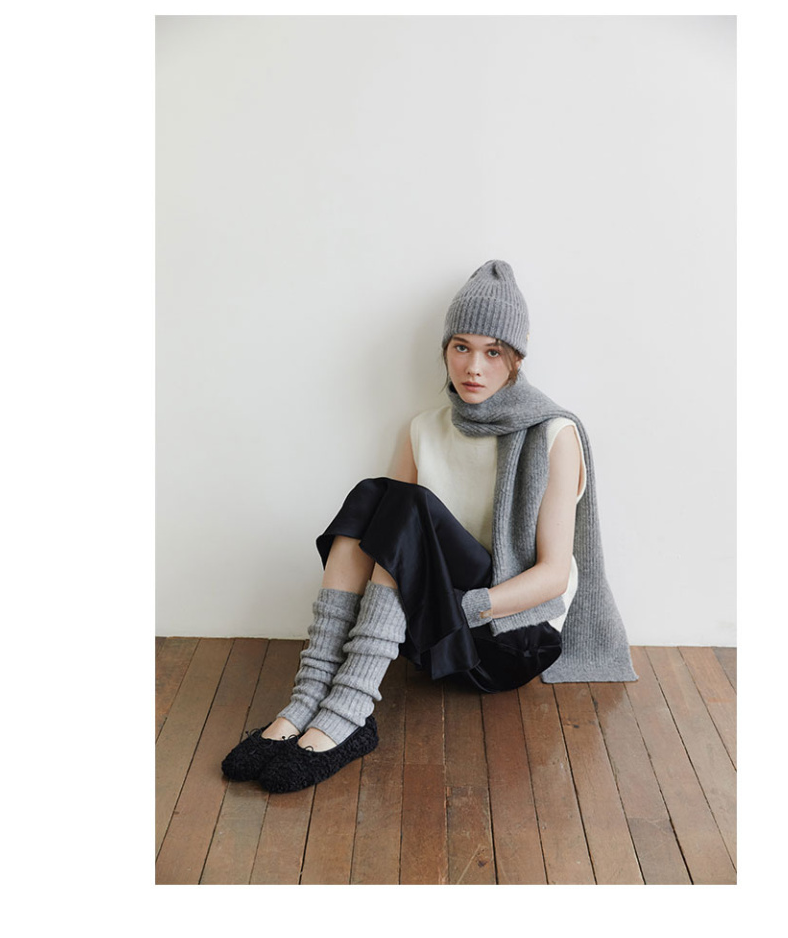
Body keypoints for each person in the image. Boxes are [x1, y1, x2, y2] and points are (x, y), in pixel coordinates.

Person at [220, 257, 633, 800]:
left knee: (404, 503)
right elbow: (385, 540)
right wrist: (432, 608)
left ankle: (349, 711)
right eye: (461, 347)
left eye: (493, 352)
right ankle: (309, 695)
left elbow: (555, 575)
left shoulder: (552, 434)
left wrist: (457, 608)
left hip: (507, 642)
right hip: (430, 643)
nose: (474, 367)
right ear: (445, 349)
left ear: (518, 355)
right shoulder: (422, 429)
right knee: (376, 497)